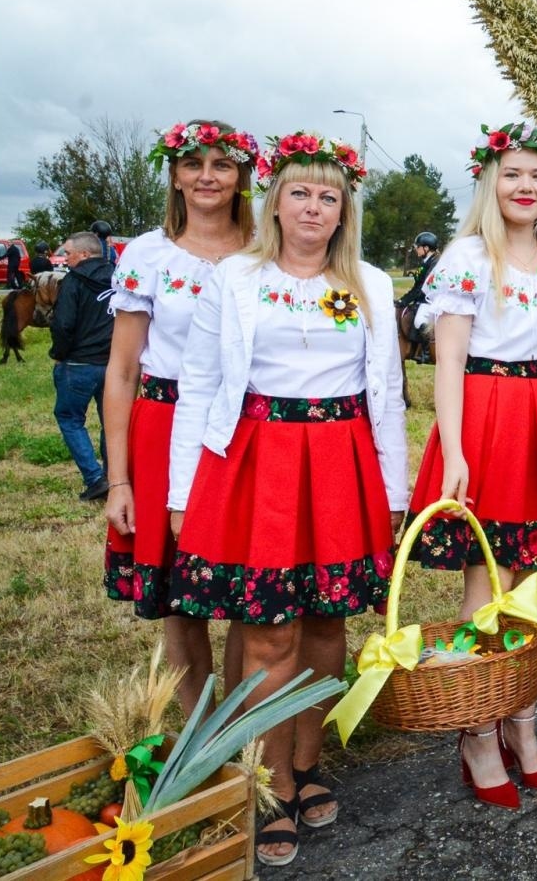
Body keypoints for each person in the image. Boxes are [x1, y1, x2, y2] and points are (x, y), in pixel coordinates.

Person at [168, 131, 406, 869]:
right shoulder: (235, 279)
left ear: (343, 212)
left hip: (340, 459)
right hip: (258, 460)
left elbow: (388, 396)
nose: (312, 206)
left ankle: (308, 765)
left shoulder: (371, 282)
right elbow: (199, 386)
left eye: (327, 196)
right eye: (299, 191)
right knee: (267, 629)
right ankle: (266, 782)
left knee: (327, 619)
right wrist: (183, 492)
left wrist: (393, 493)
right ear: (275, 202)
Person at [408, 121, 537, 809]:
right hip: (484, 417)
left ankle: (522, 722)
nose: (526, 186)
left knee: (532, 587)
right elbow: (450, 359)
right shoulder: (464, 257)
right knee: (487, 582)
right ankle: (477, 732)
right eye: (513, 173)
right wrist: (455, 450)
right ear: (492, 182)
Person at [104, 120, 258, 715]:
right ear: (175, 175)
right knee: (177, 595)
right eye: (194, 164)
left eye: (221, 164)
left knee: (249, 583)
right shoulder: (149, 255)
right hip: (164, 423)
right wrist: (120, 479)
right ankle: (199, 730)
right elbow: (121, 373)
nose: (207, 176)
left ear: (242, 175)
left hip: (244, 425)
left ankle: (245, 726)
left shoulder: (262, 253)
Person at [49, 230, 115, 502]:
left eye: (68, 253)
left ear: (85, 254)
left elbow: (64, 324)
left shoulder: (73, 282)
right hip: (112, 364)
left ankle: (95, 478)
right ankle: (114, 476)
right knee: (110, 421)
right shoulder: (119, 278)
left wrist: (58, 353)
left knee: (70, 418)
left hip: (78, 363)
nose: (65, 258)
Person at [397, 231, 440, 364]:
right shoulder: (426, 262)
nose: (416, 249)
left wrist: (405, 300)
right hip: (424, 297)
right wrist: (402, 300)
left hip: (432, 298)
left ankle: (426, 353)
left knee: (419, 319)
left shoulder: (436, 262)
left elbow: (423, 287)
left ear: (426, 248)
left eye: (418, 246)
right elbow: (417, 286)